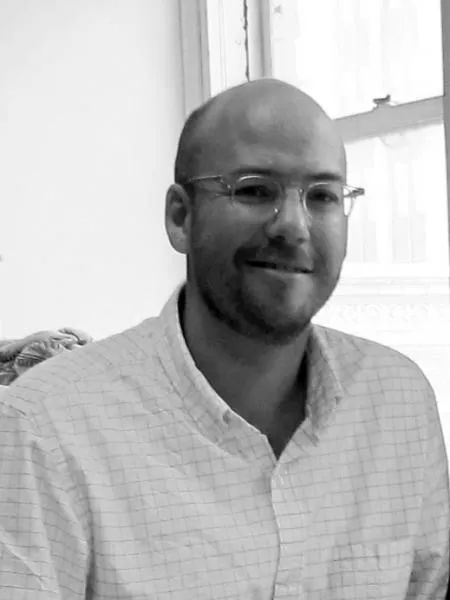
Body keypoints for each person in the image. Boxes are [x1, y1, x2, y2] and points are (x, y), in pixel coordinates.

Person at [0, 78, 448, 599]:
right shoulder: (45, 427)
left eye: (322, 196)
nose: (294, 226)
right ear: (180, 217)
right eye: (255, 189)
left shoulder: (397, 401)